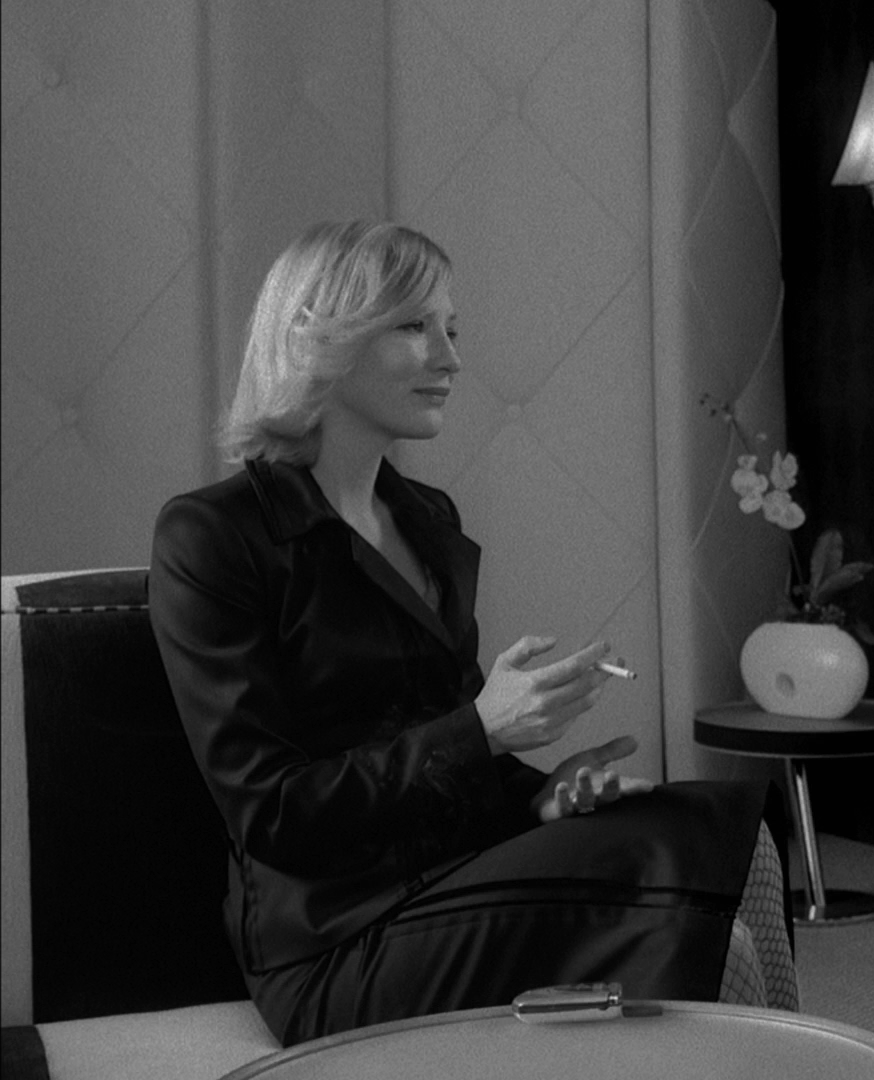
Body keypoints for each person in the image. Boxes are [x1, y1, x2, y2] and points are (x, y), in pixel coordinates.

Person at [149, 221, 798, 1045]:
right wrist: (484, 726)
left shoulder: (426, 521)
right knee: (715, 942)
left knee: (744, 841)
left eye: (451, 329)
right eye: (413, 327)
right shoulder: (213, 535)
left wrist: (541, 792)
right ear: (319, 337)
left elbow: (453, 740)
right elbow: (273, 814)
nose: (450, 358)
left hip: (456, 876)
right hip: (333, 937)